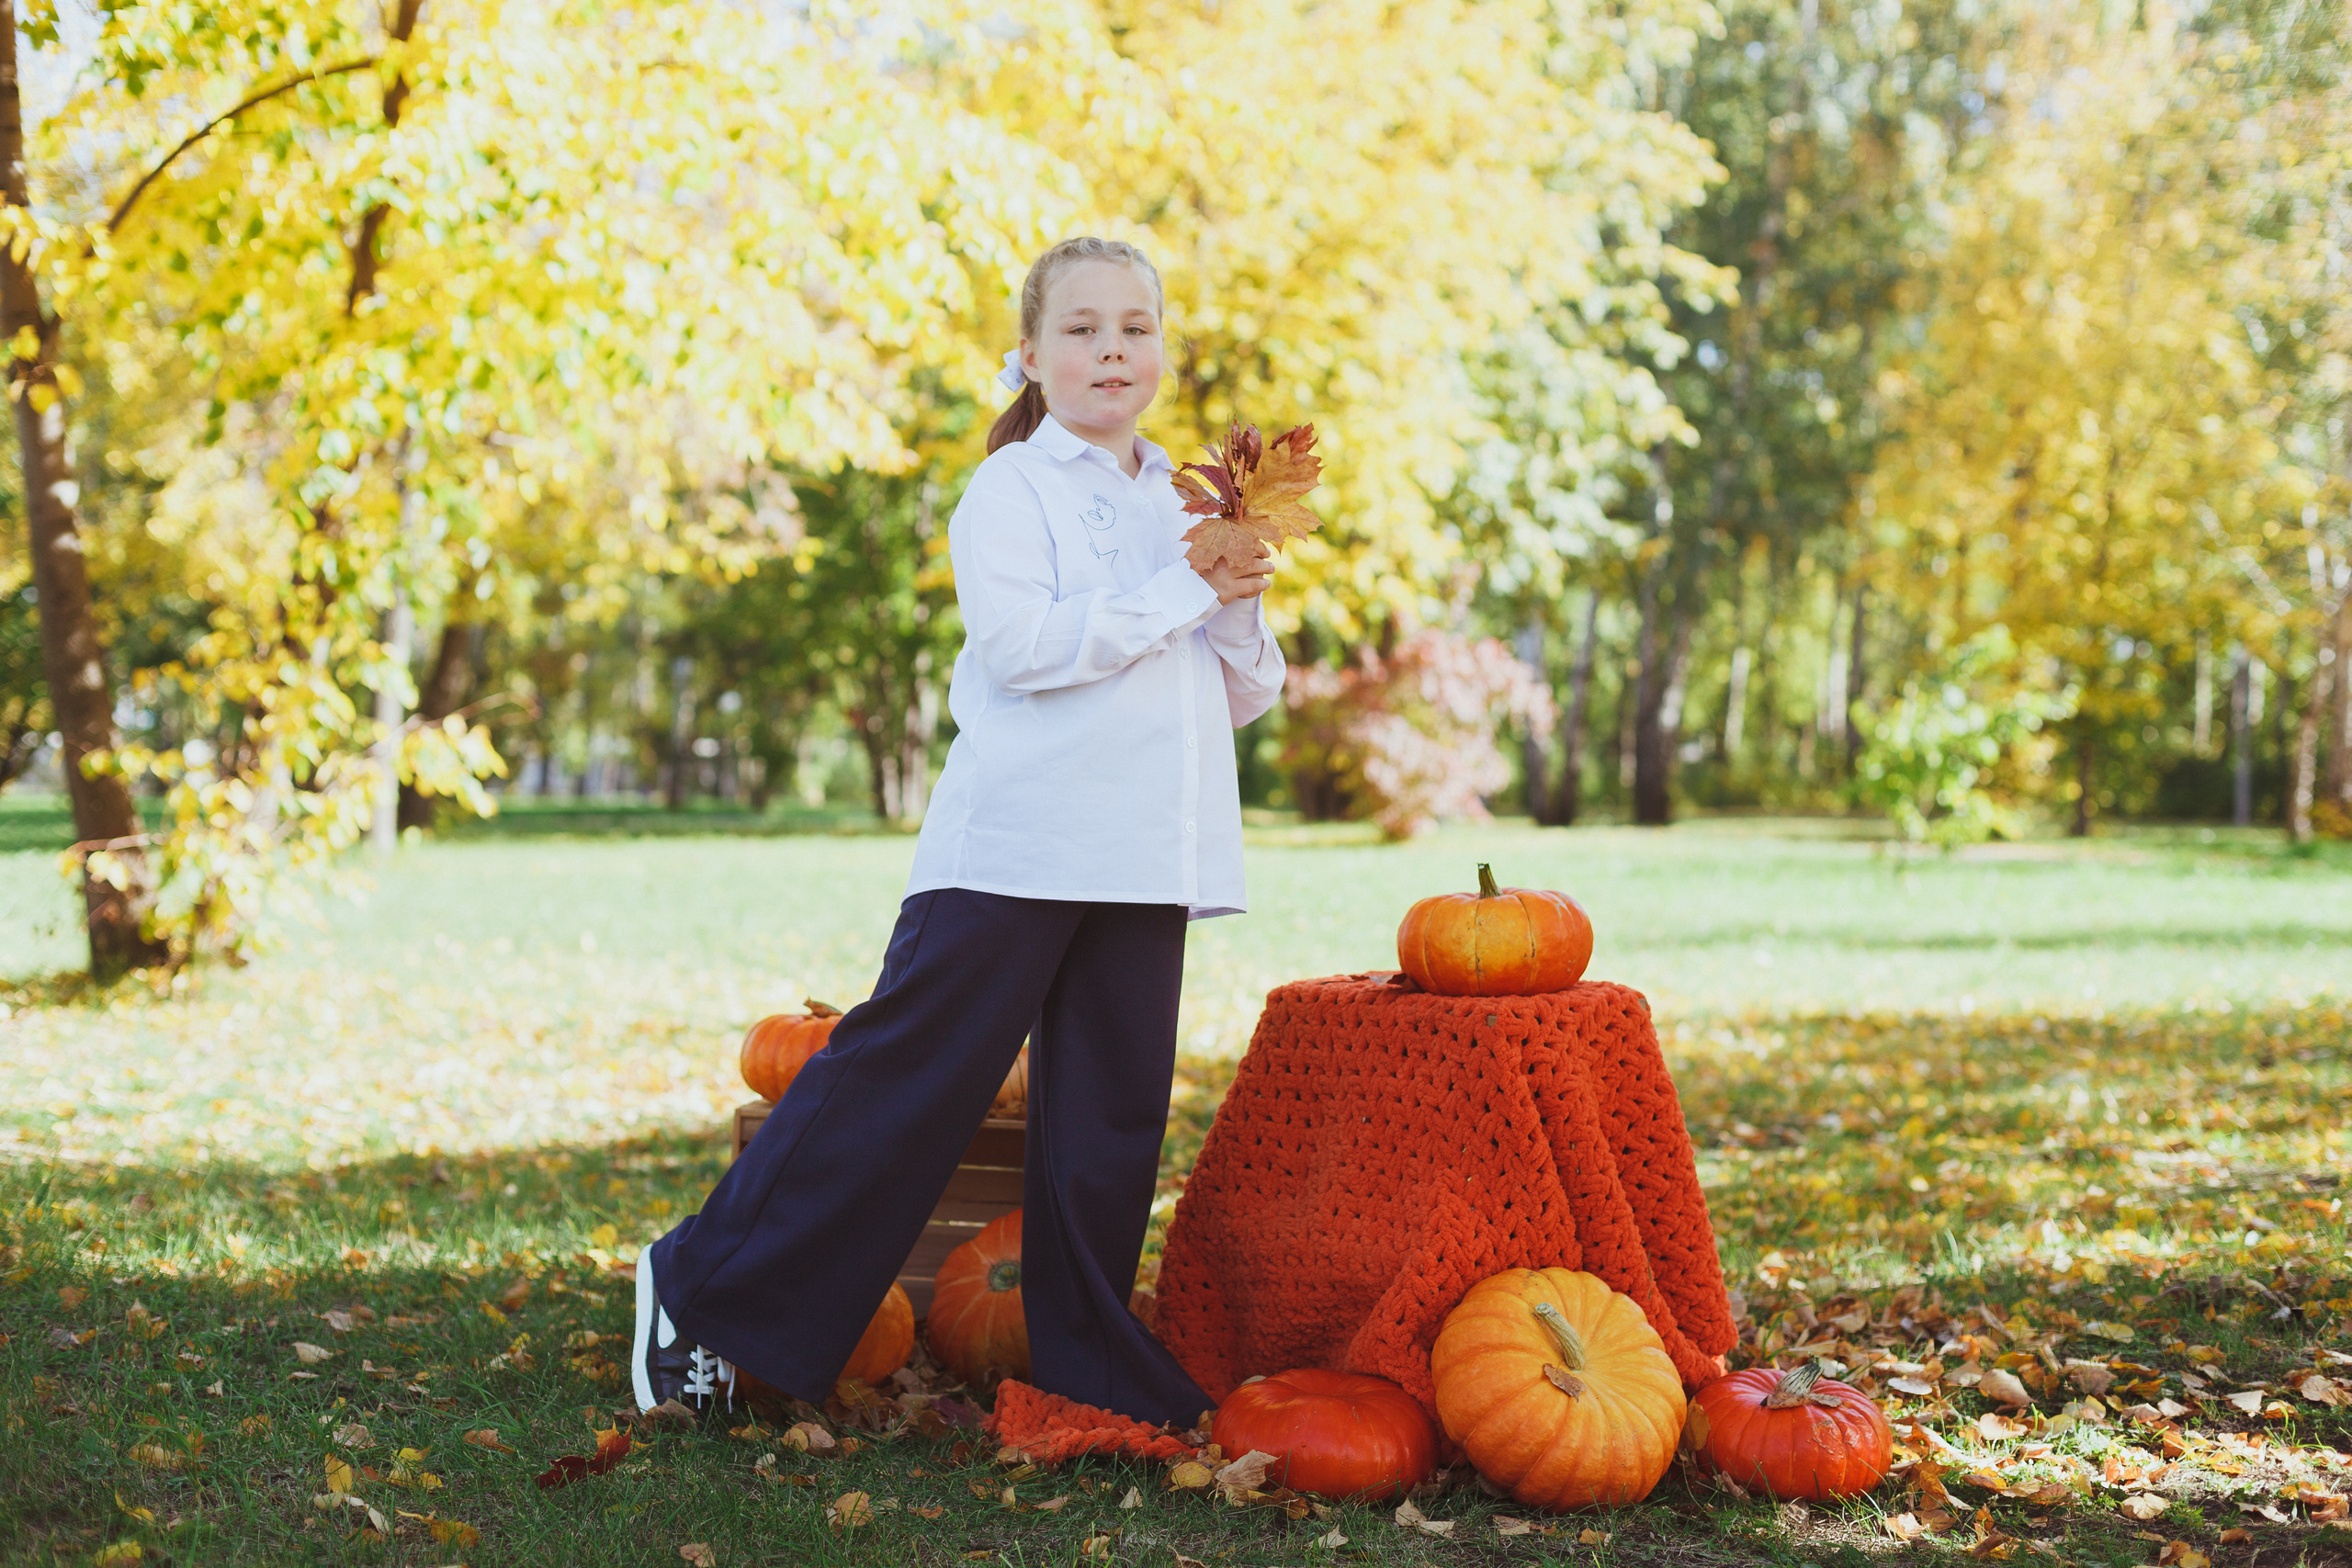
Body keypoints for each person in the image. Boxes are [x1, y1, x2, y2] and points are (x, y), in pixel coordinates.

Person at [631, 236, 1283, 1427]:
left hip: (1143, 854)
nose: (1110, 351)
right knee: (905, 1088)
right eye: (1081, 330)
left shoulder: (1175, 503)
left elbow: (1228, 697)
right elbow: (1024, 653)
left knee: (1108, 1119)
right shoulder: (1015, 490)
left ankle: (1085, 1364)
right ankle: (703, 1289)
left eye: (1134, 328)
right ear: (1029, 354)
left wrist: (1237, 601)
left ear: (1163, 352)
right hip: (1020, 848)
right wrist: (1187, 588)